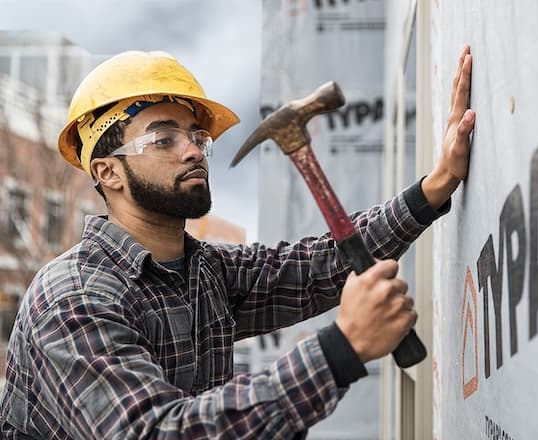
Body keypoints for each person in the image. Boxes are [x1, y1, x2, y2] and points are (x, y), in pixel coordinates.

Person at [0, 45, 474, 438]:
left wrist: (435, 186)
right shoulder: (72, 297)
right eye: (163, 139)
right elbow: (154, 432)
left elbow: (319, 267)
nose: (192, 150)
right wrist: (340, 350)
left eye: (196, 136)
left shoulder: (205, 273)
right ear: (108, 172)